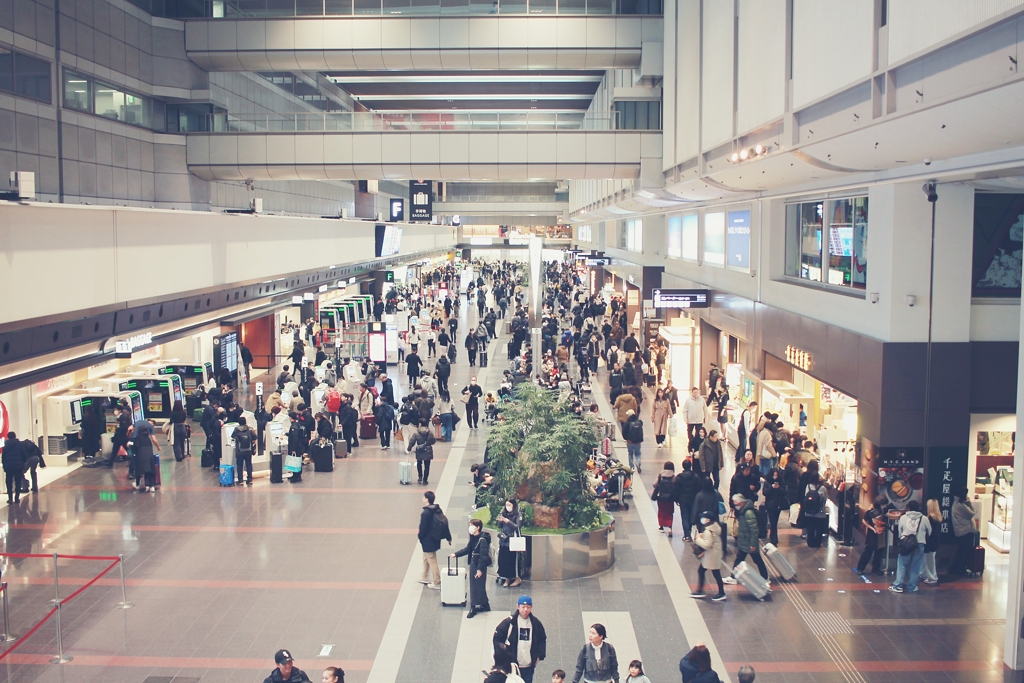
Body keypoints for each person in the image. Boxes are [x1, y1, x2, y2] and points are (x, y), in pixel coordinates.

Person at [493, 596, 548, 683]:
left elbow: (542, 638)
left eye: (528, 607)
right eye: (523, 607)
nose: (525, 610)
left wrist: (540, 655)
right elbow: (497, 638)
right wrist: (502, 656)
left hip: (528, 666)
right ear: (518, 607)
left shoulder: (535, 623)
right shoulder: (509, 623)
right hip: (512, 666)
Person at [722, 493, 770, 586]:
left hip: (749, 542)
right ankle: (733, 577)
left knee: (757, 560)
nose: (736, 506)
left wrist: (752, 544)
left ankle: (765, 578)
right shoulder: (743, 511)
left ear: (742, 502)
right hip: (744, 541)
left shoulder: (748, 513)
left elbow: (754, 530)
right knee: (739, 559)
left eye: (736, 504)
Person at [451, 518, 491, 618]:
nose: (470, 528)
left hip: (478, 566)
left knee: (475, 587)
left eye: (472, 525)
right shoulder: (474, 537)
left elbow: (483, 556)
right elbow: (468, 549)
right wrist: (456, 554)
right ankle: (485, 604)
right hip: (474, 564)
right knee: (478, 586)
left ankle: (473, 607)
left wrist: (479, 569)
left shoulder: (482, 540)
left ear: (478, 527)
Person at [889, 500, 931, 594]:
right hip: (919, 543)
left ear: (908, 508)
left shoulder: (903, 518)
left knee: (902, 565)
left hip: (905, 544)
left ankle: (898, 586)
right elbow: (929, 531)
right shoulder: (924, 518)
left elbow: (900, 531)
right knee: (916, 566)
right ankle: (911, 586)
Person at [689, 510, 726, 602]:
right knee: (708, 572)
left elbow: (707, 544)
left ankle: (720, 593)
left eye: (704, 518)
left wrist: (697, 539)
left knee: (712, 572)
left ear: (708, 520)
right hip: (713, 554)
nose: (702, 519)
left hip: (712, 555)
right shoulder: (714, 527)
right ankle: (701, 590)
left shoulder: (708, 531)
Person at [418, 491, 450, 591]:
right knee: (426, 557)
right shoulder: (436, 509)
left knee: (431, 559)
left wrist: (420, 536)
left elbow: (423, 527)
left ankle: (437, 581)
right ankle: (425, 576)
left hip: (428, 539)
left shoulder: (426, 513)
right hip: (434, 538)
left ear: (427, 499)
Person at [949, 488, 980, 577]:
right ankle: (960, 569)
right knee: (963, 551)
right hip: (964, 530)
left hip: (962, 530)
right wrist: (969, 502)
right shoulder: (960, 505)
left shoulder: (958, 504)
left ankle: (955, 568)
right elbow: (972, 513)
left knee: (961, 551)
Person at [855, 495, 888, 576]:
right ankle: (860, 567)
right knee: (868, 550)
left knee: (879, 550)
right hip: (872, 533)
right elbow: (864, 520)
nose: (885, 506)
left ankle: (876, 568)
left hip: (881, 532)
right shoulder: (871, 511)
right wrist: (872, 528)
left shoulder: (884, 510)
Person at [496, 498, 523, 587]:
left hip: (513, 541)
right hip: (504, 540)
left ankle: (517, 578)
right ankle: (506, 578)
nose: (507, 507)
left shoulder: (518, 515)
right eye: (506, 505)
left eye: (509, 505)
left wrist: (508, 521)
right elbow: (499, 526)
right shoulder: (503, 513)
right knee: (504, 560)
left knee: (513, 561)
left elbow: (517, 527)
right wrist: (500, 521)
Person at [674, 460, 700, 542]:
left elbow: (676, 489)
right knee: (692, 515)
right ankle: (690, 529)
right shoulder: (696, 476)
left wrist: (676, 499)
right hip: (693, 499)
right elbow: (699, 488)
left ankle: (687, 535)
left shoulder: (679, 477)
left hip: (683, 500)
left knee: (684, 516)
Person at [761, 467, 787, 546]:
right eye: (774, 475)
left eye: (776, 475)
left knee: (775, 522)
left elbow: (784, 492)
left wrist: (778, 488)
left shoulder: (781, 482)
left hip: (778, 505)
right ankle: (774, 539)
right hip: (770, 505)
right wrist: (772, 488)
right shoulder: (767, 482)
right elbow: (765, 492)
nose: (775, 477)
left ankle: (773, 537)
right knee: (773, 522)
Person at [802, 472, 828, 548]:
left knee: (810, 528)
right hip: (820, 513)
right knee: (819, 529)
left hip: (809, 512)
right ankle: (817, 543)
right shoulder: (822, 488)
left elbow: (805, 497)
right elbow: (824, 499)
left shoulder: (808, 487)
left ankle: (810, 542)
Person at [133, 421, 159, 493]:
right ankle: (151, 486)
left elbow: (136, 447)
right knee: (150, 470)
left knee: (138, 471)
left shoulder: (138, 438)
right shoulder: (148, 439)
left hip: (140, 455)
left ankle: (137, 484)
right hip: (150, 455)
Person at [921, 498, 942, 585]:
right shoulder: (938, 516)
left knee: (929, 560)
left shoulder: (929, 518)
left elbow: (927, 530)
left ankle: (932, 577)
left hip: (930, 540)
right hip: (935, 540)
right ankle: (925, 574)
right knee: (930, 559)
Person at [2, 433, 27, 504]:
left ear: (8, 437)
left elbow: (3, 457)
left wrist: (4, 465)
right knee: (18, 482)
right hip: (18, 466)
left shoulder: (6, 446)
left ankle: (10, 498)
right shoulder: (20, 444)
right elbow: (24, 455)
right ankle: (17, 498)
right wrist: (22, 463)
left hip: (9, 466)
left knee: (9, 482)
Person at [653, 461, 676, 536]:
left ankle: (661, 527)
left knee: (661, 511)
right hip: (670, 498)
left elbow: (654, 484)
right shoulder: (673, 477)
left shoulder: (660, 475)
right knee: (669, 512)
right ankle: (670, 527)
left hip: (661, 497)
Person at [233, 416, 256, 486]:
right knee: (248, 464)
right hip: (248, 450)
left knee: (240, 465)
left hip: (240, 451)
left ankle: (240, 480)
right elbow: (255, 437)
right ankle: (250, 479)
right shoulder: (250, 429)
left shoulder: (236, 429)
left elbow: (233, 437)